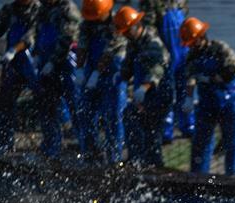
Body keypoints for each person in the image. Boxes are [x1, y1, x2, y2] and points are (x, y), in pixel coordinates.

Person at [178, 17, 235, 175]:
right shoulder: (192, 56)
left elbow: (231, 70)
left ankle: (232, 179)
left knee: (232, 143)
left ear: (201, 37)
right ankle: (198, 178)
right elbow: (190, 76)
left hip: (229, 100)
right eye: (190, 43)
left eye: (193, 42)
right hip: (207, 102)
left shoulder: (220, 48)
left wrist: (211, 78)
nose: (192, 46)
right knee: (200, 142)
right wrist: (188, 97)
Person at [0, 0, 41, 153]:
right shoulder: (9, 10)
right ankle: (4, 145)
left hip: (33, 61)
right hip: (13, 63)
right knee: (5, 103)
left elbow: (32, 35)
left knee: (44, 101)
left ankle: (52, 147)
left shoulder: (40, 10)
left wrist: (15, 49)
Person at [117, 6, 172, 167]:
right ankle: (136, 161)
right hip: (144, 93)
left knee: (152, 134)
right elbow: (127, 67)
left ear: (136, 27)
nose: (125, 35)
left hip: (160, 93)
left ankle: (155, 168)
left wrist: (143, 89)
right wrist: (120, 75)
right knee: (130, 116)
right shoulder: (133, 43)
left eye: (127, 31)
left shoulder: (152, 43)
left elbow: (156, 71)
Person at [77, 0, 127, 163]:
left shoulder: (117, 22)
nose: (94, 20)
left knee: (112, 116)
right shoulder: (87, 23)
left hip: (112, 72)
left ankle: (115, 158)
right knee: (86, 113)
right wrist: (79, 68)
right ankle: (90, 154)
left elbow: (111, 49)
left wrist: (97, 73)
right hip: (91, 69)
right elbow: (82, 45)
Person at [33, 0, 82, 157]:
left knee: (74, 102)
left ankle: (85, 144)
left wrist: (53, 62)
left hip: (65, 62)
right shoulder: (43, 8)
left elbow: (68, 39)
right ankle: (51, 144)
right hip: (46, 61)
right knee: (46, 104)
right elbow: (37, 31)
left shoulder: (68, 9)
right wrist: (35, 53)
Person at [139, 0, 193, 141]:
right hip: (165, 49)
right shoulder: (150, 3)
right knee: (166, 90)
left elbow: (185, 15)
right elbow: (148, 27)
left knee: (185, 86)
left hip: (183, 48)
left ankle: (188, 125)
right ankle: (166, 129)